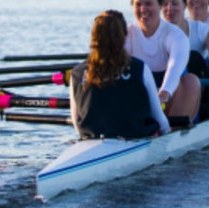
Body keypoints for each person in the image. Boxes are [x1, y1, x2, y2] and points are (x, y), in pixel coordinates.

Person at [69, 10, 170, 139]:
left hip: (91, 140)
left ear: (93, 37)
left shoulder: (77, 73)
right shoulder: (139, 68)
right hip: (135, 138)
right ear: (124, 36)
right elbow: (158, 116)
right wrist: (168, 134)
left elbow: (76, 123)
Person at [126, 0, 201, 121]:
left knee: (191, 82)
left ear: (160, 4)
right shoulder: (126, 33)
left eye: (148, 4)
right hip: (140, 95)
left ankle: (174, 129)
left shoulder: (175, 35)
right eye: (138, 4)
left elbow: (174, 67)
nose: (143, 9)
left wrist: (164, 94)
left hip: (171, 97)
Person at [161, 0, 209, 91]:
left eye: (175, 3)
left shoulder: (205, 30)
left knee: (193, 57)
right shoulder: (154, 32)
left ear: (185, 4)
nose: (169, 8)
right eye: (164, 4)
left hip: (197, 85)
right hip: (165, 86)